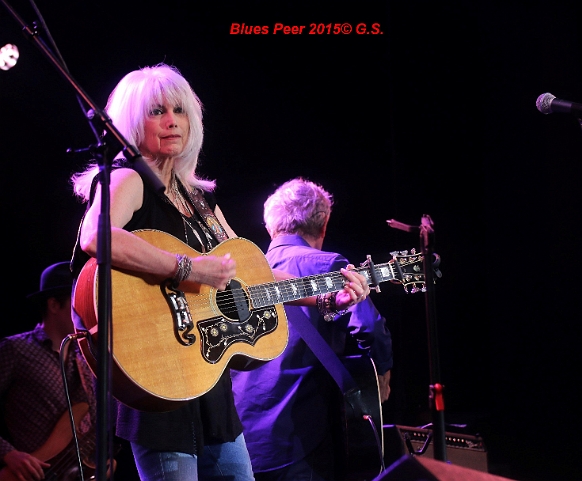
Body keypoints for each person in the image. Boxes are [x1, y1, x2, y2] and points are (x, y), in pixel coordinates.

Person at [69, 63, 371, 481]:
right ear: (130, 122)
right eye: (157, 111)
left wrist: (327, 294)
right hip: (160, 373)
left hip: (210, 386)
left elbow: (253, 278)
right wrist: (189, 268)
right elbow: (97, 237)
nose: (172, 120)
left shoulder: (200, 201)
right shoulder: (127, 179)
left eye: (179, 110)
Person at [231, 177, 393, 481]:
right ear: (323, 224)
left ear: (270, 227)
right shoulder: (330, 265)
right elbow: (369, 326)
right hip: (302, 434)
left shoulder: (245, 276)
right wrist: (383, 375)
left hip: (241, 438)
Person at [0, 261, 96, 481]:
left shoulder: (85, 360)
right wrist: (9, 454)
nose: (87, 309)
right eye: (77, 302)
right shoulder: (16, 350)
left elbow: (92, 426)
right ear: (54, 305)